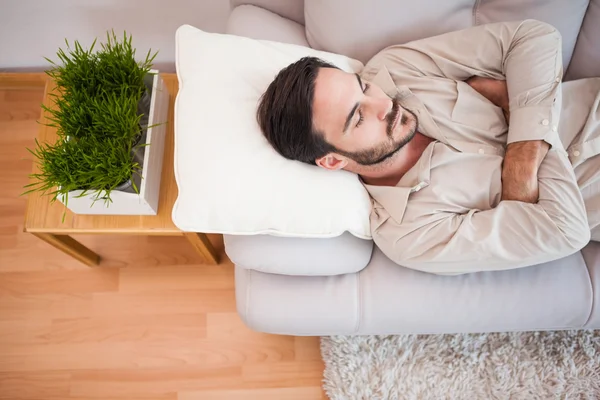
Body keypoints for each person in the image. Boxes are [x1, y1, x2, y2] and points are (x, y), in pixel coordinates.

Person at [256, 19, 600, 275]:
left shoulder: (395, 69)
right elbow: (566, 231)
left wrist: (523, 160)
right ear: (332, 160)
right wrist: (520, 109)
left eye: (363, 87)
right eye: (358, 117)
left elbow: (534, 37)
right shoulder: (410, 233)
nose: (382, 103)